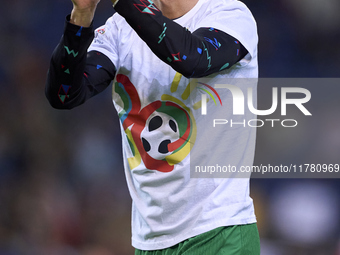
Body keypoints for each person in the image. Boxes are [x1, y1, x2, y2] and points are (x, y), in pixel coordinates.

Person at [45, 0, 260, 253]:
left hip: (221, 231)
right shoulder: (119, 31)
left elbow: (192, 58)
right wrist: (81, 15)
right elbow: (63, 94)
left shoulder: (229, 14)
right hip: (150, 242)